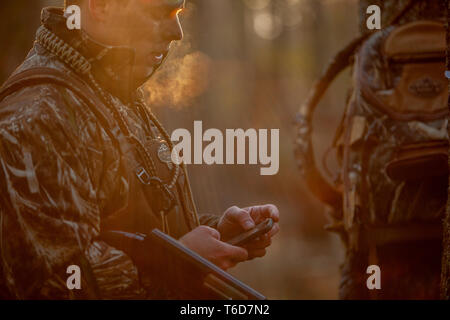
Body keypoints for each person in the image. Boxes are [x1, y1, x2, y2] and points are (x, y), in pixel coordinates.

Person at [0, 0, 279, 299]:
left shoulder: (104, 90)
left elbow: (125, 226)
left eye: (179, 14)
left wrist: (216, 235)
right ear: (102, 6)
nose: (177, 32)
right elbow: (54, 282)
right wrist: (176, 263)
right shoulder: (38, 115)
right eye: (161, 12)